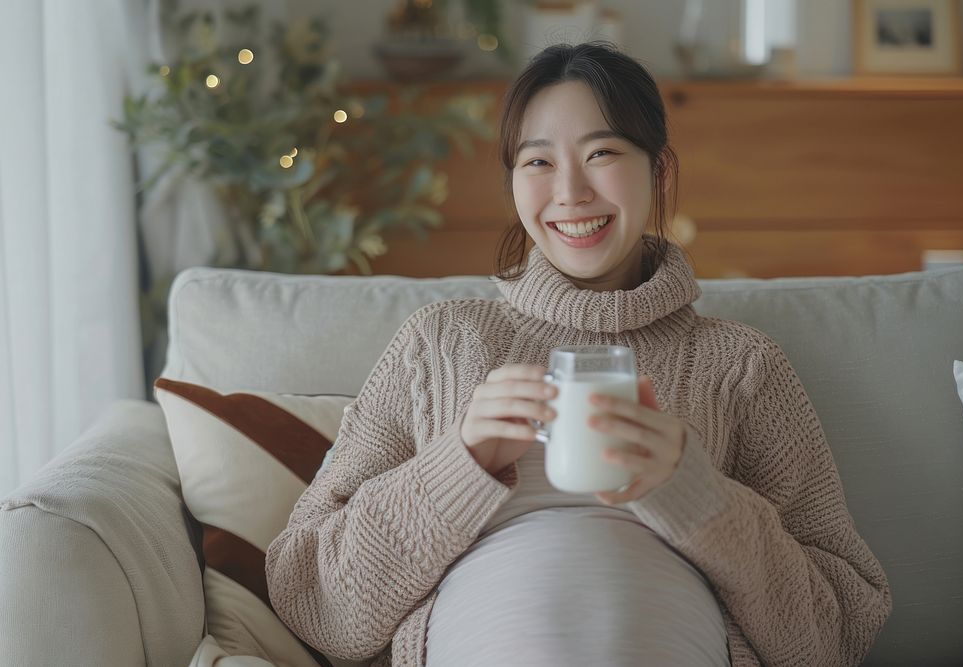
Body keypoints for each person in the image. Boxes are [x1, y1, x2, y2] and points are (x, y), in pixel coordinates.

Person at [265, 42, 892, 667]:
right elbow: (319, 605)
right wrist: (460, 466)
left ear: (661, 172)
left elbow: (833, 638)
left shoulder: (739, 365)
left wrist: (697, 495)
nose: (570, 192)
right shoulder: (439, 344)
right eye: (538, 162)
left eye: (602, 154)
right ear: (513, 183)